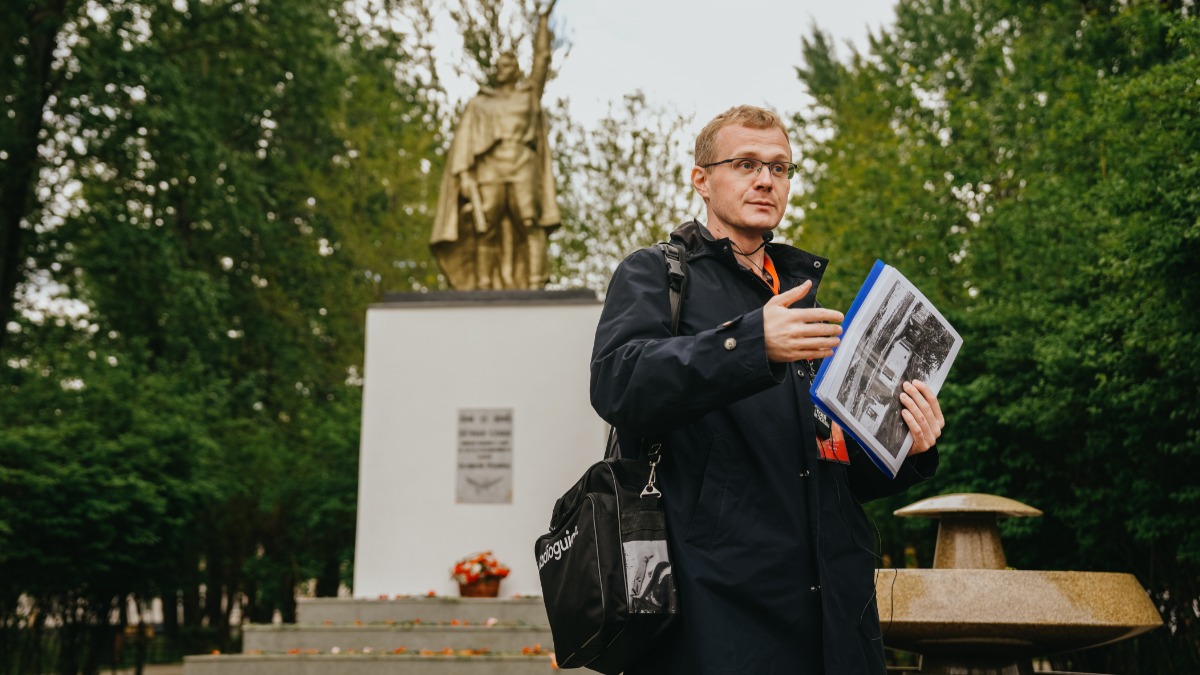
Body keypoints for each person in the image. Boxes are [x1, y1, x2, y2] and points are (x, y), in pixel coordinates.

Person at [590, 105, 945, 674]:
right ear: (701, 179)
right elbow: (618, 382)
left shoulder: (803, 297)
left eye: (780, 168)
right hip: (719, 612)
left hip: (835, 615)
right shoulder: (655, 274)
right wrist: (749, 343)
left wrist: (908, 448)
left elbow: (832, 470)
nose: (765, 180)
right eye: (747, 164)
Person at [429, 1, 560, 290]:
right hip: (489, 168)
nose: (501, 69)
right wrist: (464, 174)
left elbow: (542, 59)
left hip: (521, 163)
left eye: (508, 64)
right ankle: (484, 283)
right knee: (484, 227)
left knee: (530, 223)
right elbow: (464, 144)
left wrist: (542, 20)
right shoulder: (480, 103)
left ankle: (536, 283)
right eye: (499, 65)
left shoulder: (527, 95)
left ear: (516, 69)